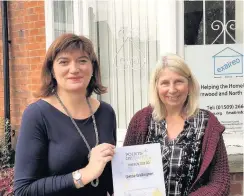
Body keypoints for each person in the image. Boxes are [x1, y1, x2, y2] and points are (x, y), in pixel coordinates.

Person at [14, 33, 116, 196]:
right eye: (64, 62)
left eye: (82, 60)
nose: (74, 69)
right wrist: (85, 174)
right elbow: (24, 190)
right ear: (52, 70)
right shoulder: (37, 115)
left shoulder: (106, 112)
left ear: (93, 67)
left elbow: (111, 177)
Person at [123, 54, 230, 196]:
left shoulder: (208, 124)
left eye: (179, 82)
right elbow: (126, 173)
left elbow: (220, 182)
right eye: (165, 83)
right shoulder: (141, 120)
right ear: (156, 86)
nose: (172, 90)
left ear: (189, 84)